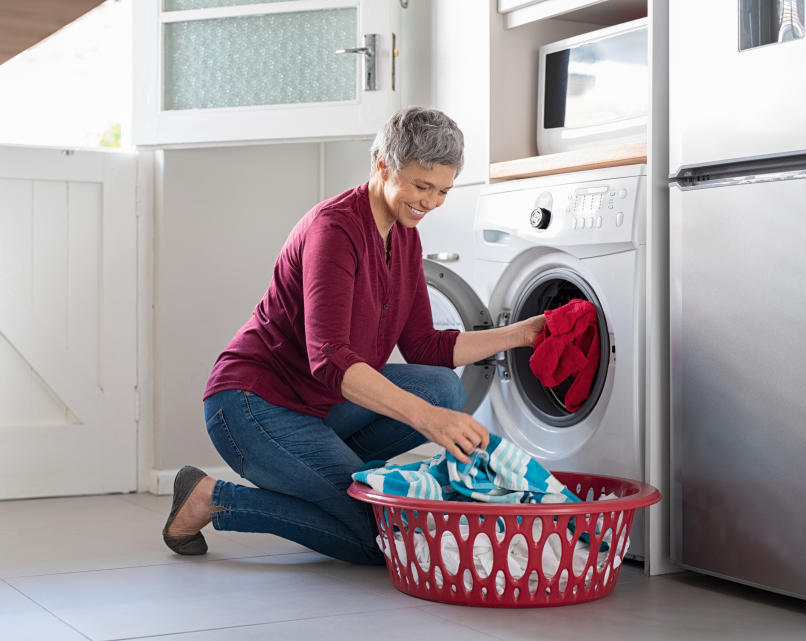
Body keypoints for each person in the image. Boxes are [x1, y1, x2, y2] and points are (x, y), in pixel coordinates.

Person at [162, 106, 546, 565]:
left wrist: (523, 334)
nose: (430, 202)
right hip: (253, 405)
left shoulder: (405, 236)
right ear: (382, 166)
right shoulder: (334, 229)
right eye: (421, 187)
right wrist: (427, 420)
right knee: (382, 539)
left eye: (442, 190)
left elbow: (425, 346)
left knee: (443, 388)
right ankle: (212, 498)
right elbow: (329, 359)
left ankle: (327, 479)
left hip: (321, 407)